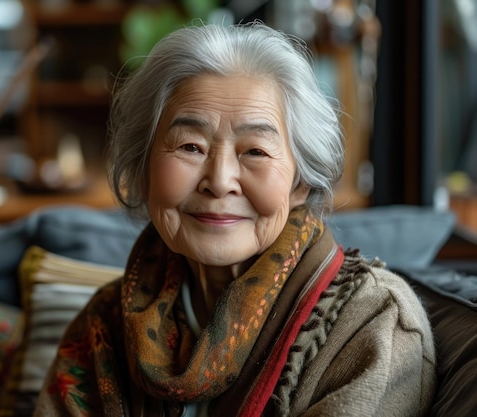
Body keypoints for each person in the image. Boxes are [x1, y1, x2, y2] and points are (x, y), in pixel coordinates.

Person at [33, 22, 436, 417]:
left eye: (255, 151)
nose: (220, 181)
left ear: (300, 182)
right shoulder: (103, 325)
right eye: (191, 146)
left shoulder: (371, 323)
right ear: (143, 170)